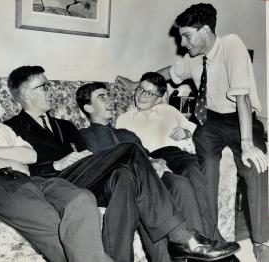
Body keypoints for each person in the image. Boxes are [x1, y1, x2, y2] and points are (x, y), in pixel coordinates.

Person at [4, 65, 239, 262]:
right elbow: (17, 169)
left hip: (86, 176)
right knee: (129, 151)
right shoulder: (11, 127)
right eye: (43, 86)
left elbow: (87, 155)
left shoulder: (65, 125)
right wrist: (55, 164)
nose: (50, 90)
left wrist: (154, 160)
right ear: (25, 94)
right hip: (53, 181)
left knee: (127, 179)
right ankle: (182, 236)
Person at [116, 3, 268, 261]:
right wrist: (135, 82)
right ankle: (209, 240)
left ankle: (262, 242)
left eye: (187, 36)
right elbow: (167, 74)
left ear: (205, 30)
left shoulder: (232, 44)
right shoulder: (193, 59)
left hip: (240, 118)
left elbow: (242, 97)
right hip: (209, 122)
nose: (183, 43)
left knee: (254, 167)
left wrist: (247, 143)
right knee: (205, 167)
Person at [0, 66, 113, 262]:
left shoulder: (0, 128)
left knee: (81, 198)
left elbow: (30, 155)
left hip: (30, 181)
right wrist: (11, 162)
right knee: (55, 227)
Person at [76, 81, 240, 262]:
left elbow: (145, 155)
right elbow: (101, 163)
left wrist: (155, 161)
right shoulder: (84, 135)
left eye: (108, 95)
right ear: (88, 107)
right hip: (120, 183)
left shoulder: (126, 133)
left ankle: (197, 251)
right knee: (144, 194)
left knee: (181, 183)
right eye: (102, 97)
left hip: (147, 177)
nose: (110, 100)